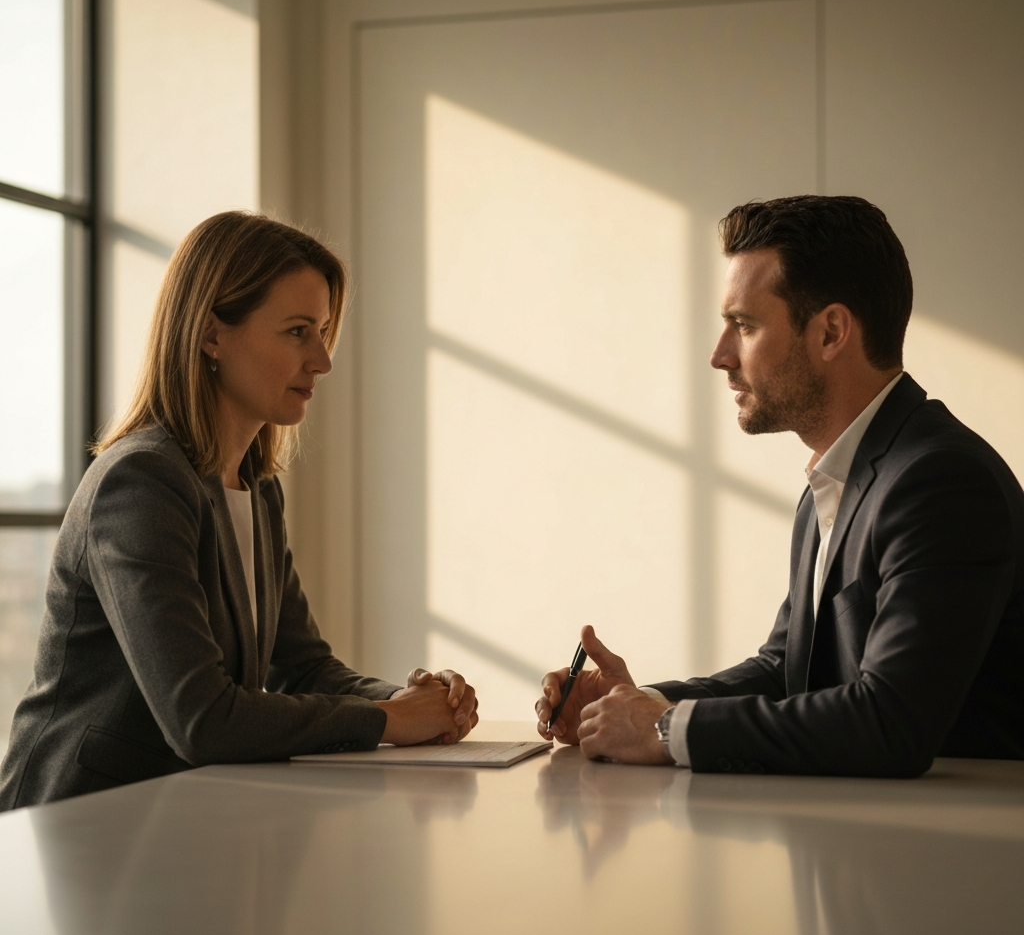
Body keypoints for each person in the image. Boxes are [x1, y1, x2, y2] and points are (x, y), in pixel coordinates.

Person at [1, 211, 478, 810]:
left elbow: (301, 667)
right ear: (211, 334)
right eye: (298, 331)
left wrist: (420, 701)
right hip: (74, 829)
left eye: (324, 331)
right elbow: (202, 719)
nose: (323, 361)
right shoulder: (140, 481)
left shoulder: (253, 485)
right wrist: (387, 719)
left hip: (172, 821)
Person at [536, 195, 1024, 776]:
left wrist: (664, 730)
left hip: (952, 853)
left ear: (831, 332)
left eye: (743, 325)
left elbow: (891, 723)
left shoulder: (940, 482)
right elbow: (786, 670)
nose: (719, 356)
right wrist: (637, 706)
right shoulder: (842, 474)